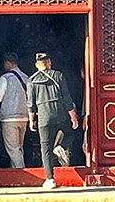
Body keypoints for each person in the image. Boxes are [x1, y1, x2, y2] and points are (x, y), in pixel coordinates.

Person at [30, 52, 80, 188]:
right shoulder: (58, 76)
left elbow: (31, 103)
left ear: (36, 65)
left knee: (45, 147)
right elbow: (66, 97)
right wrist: (73, 116)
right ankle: (61, 146)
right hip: (60, 114)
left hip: (43, 117)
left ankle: (50, 179)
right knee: (70, 132)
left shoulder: (31, 80)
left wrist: (31, 120)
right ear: (49, 63)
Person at [0, 53, 32, 169]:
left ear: (7, 63)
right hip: (24, 116)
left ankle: (20, 172)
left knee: (13, 148)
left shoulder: (5, 78)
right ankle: (16, 168)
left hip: (9, 117)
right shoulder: (26, 78)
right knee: (19, 147)